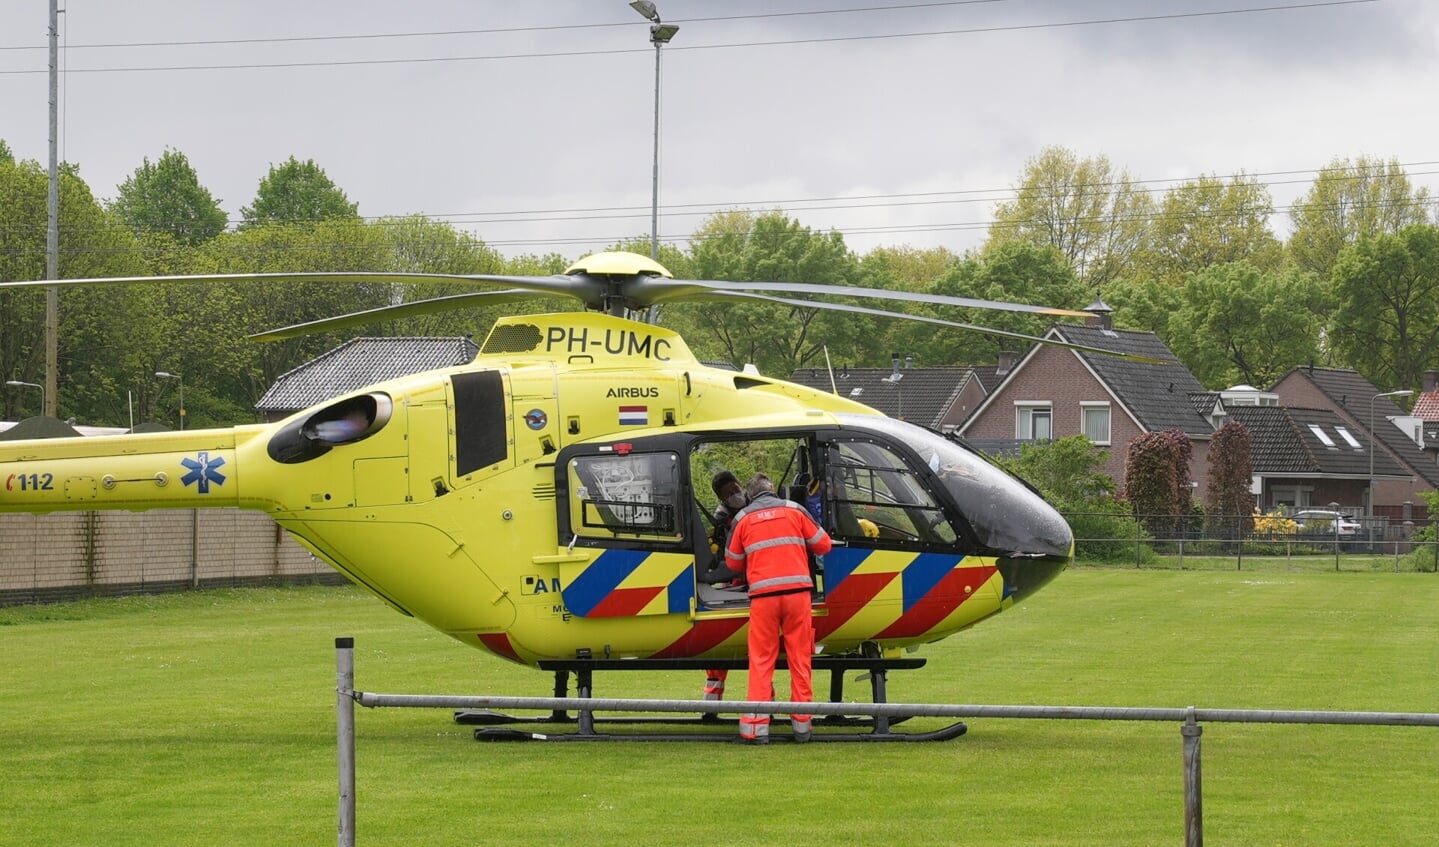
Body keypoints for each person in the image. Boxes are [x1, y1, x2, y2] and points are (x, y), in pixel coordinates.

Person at [721, 472, 832, 744]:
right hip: (798, 595)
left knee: (761, 660)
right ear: (773, 489)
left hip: (763, 598)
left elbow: (733, 563)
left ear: (750, 494)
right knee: (800, 658)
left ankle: (756, 727)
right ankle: (802, 725)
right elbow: (823, 545)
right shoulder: (795, 510)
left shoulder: (742, 519)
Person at [700, 470, 747, 711]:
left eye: (735, 489)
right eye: (728, 494)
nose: (734, 495)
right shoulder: (722, 518)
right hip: (735, 579)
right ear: (721, 497)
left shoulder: (753, 505)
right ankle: (711, 706)